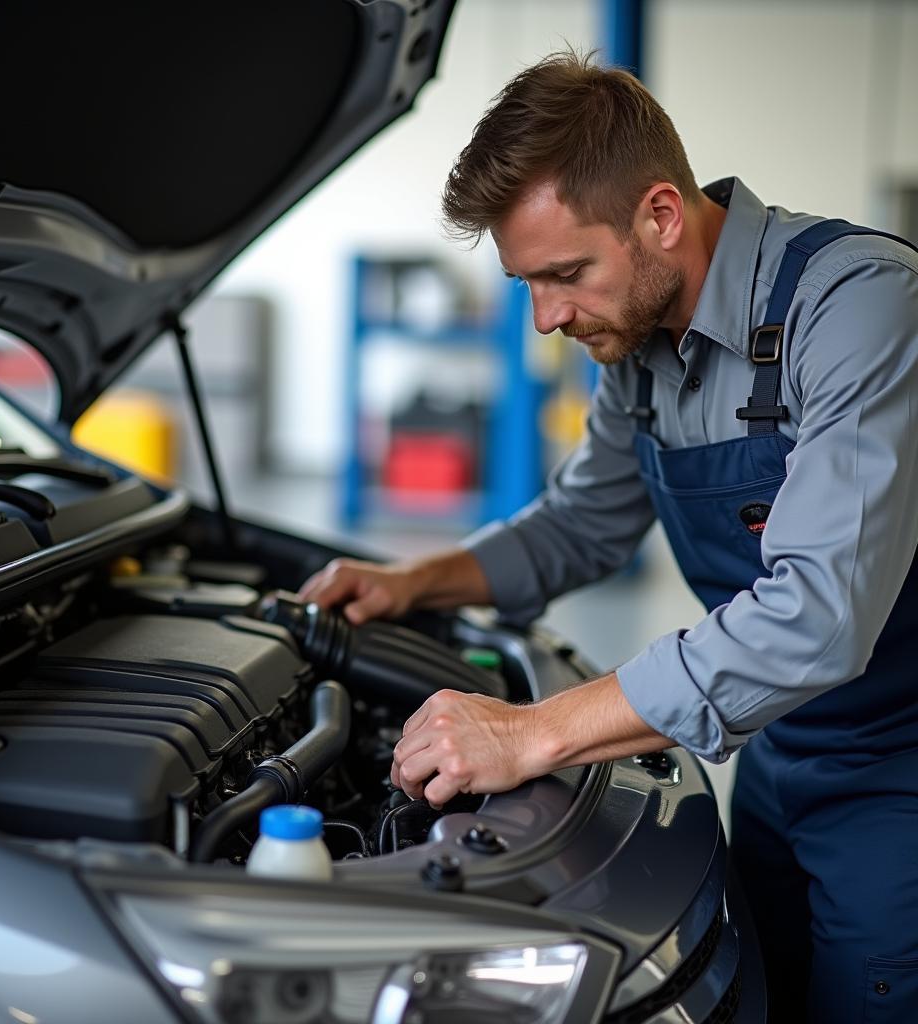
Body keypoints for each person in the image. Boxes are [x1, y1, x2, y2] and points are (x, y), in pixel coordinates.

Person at [299, 51, 918, 1023]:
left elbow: (819, 616)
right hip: (774, 751)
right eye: (526, 284)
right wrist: (411, 583)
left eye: (565, 275)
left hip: (898, 770)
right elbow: (582, 523)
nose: (546, 317)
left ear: (659, 216)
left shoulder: (857, 306)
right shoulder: (637, 341)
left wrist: (532, 730)